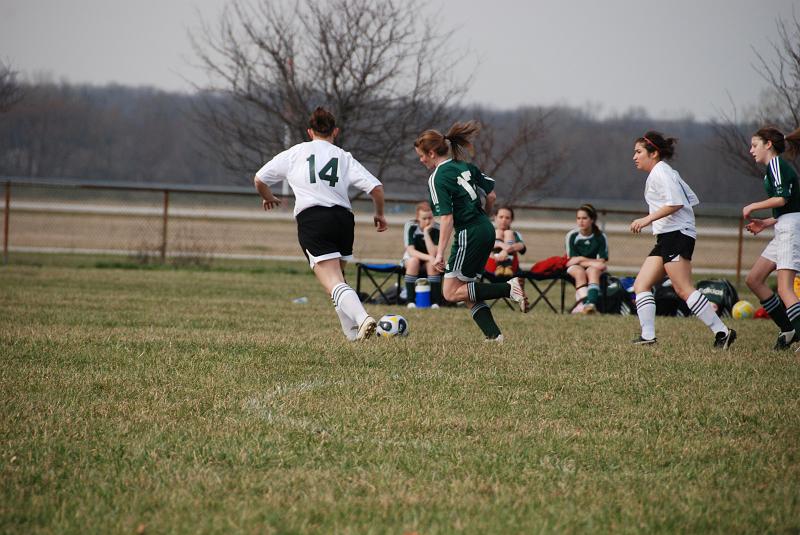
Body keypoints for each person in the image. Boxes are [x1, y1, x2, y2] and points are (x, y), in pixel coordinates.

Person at [254, 107, 387, 341]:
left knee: (333, 282)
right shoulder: (343, 156)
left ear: (309, 131)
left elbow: (259, 178)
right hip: (343, 220)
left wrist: (268, 197)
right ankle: (353, 336)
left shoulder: (296, 153)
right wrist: (379, 214)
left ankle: (363, 318)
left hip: (314, 219)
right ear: (335, 131)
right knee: (338, 281)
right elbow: (376, 188)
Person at [414, 121, 528, 342]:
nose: (421, 160)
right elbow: (492, 196)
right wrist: (484, 217)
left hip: (469, 232)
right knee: (465, 290)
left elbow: (446, 218)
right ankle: (494, 336)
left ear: (431, 152)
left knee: (449, 293)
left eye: (421, 156)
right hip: (485, 228)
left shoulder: (437, 177)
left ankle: (508, 288)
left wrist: (439, 254)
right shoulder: (465, 166)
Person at [629, 131, 736, 349]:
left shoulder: (662, 172)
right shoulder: (663, 172)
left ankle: (722, 332)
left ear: (654, 153)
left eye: (639, 152)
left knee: (683, 288)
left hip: (677, 235)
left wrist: (647, 219)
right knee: (641, 284)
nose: (634, 156)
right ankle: (648, 337)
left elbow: (677, 203)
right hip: (667, 236)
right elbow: (689, 199)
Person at [742, 126, 800, 350]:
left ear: (768, 145)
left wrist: (754, 206)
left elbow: (782, 199)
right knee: (754, 280)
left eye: (754, 145)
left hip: (791, 229)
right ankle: (789, 329)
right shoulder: (772, 169)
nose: (751, 150)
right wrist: (766, 222)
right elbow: (789, 205)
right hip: (785, 226)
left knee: (785, 289)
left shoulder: (776, 164)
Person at [565, 203, 608, 314]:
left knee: (593, 271)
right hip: (575, 267)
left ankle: (591, 304)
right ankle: (583, 304)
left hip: (593, 267)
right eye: (578, 218)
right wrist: (583, 260)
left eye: (584, 218)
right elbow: (572, 260)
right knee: (579, 272)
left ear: (592, 220)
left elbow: (602, 261)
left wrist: (581, 260)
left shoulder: (600, 236)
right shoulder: (572, 235)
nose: (581, 221)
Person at [403, 201, 441, 308]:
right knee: (414, 261)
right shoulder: (410, 225)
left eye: (430, 218)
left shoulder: (437, 228)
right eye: (424, 218)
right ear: (417, 218)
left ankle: (435, 302)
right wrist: (429, 257)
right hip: (412, 260)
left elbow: (434, 252)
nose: (428, 221)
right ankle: (410, 301)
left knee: (432, 264)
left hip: (429, 261)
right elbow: (411, 251)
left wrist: (426, 232)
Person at [490, 206, 527, 277]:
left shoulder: (515, 234)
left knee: (509, 233)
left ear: (511, 220)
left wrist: (505, 251)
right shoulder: (489, 232)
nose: (504, 220)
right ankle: (499, 266)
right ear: (495, 218)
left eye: (507, 218)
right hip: (493, 265)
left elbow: (522, 248)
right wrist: (502, 245)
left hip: (511, 267)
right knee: (498, 232)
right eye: (501, 217)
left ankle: (507, 266)